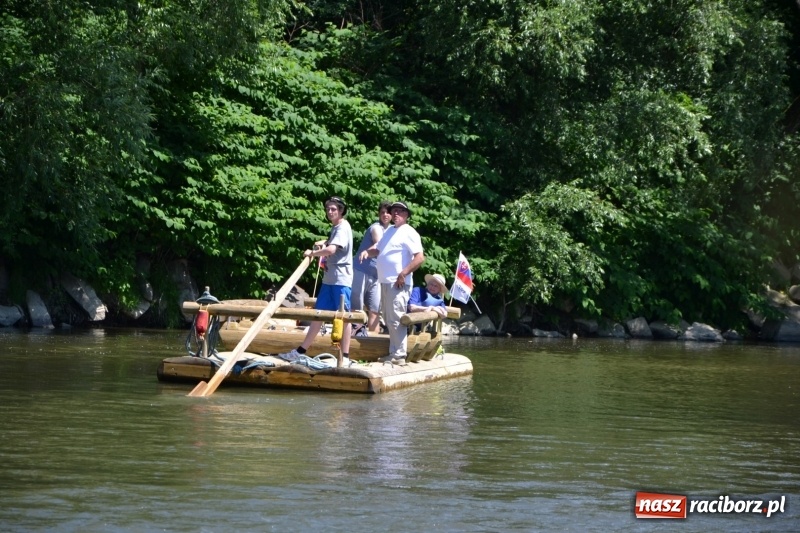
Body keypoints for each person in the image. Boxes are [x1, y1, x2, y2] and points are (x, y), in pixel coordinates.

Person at [280, 196, 353, 361]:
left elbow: (332, 250)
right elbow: (331, 244)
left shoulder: (342, 227)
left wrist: (312, 253)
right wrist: (324, 242)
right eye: (328, 209)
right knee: (318, 314)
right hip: (329, 280)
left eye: (334, 209)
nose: (330, 212)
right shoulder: (336, 228)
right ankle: (301, 351)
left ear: (341, 211)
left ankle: (346, 356)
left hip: (341, 280)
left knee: (345, 317)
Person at [359, 201, 424, 365]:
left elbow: (419, 257)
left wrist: (403, 273)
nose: (395, 213)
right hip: (385, 281)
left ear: (406, 215)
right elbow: (378, 250)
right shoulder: (389, 232)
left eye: (400, 211)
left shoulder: (409, 232)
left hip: (399, 283)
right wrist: (367, 252)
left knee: (396, 317)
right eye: (394, 210)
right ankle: (393, 352)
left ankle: (399, 355)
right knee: (388, 318)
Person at [351, 201, 392, 334]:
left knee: (375, 309)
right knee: (356, 307)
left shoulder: (392, 230)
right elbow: (379, 244)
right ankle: (352, 336)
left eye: (388, 212)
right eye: (382, 212)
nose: (385, 215)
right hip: (361, 270)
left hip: (376, 275)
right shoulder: (376, 227)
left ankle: (373, 339)